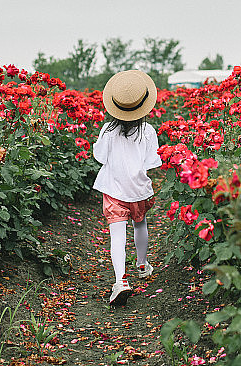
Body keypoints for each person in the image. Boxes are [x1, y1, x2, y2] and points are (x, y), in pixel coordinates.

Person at [93, 70, 162, 306]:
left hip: (114, 189)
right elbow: (153, 162)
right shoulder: (148, 131)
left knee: (117, 235)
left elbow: (100, 157)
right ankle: (142, 263)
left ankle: (120, 280)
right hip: (139, 190)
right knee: (140, 223)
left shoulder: (108, 131)